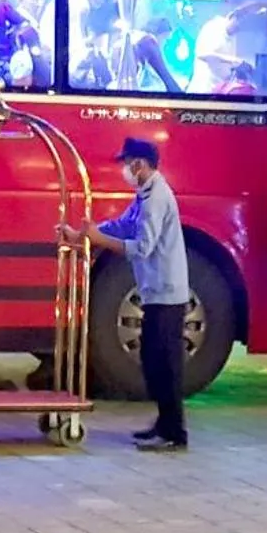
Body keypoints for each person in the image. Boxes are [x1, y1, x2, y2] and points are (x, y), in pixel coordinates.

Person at [63, 138, 191, 451]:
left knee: (165, 365)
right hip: (155, 293)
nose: (125, 169)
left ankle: (174, 432)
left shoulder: (156, 197)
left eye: (128, 162)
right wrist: (86, 235)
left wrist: (98, 240)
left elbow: (142, 248)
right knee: (151, 360)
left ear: (140, 164)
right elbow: (123, 225)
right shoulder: (144, 194)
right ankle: (164, 424)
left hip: (167, 294)